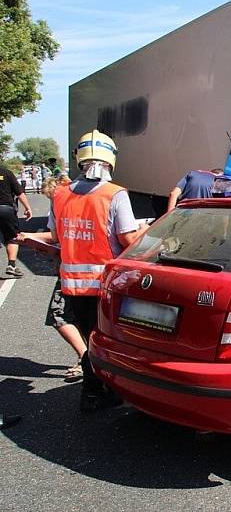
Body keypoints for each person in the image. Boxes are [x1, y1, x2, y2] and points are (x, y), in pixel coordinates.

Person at [48, 130, 147, 412]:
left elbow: (56, 236)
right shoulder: (114, 194)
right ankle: (101, 392)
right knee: (107, 341)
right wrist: (147, 231)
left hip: (72, 286)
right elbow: (128, 239)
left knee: (89, 337)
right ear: (110, 160)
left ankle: (92, 393)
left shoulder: (60, 194)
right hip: (105, 286)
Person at [18, 175, 86, 381]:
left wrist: (30, 237)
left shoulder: (63, 205)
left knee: (60, 315)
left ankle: (86, 359)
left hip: (72, 271)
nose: (52, 202)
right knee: (83, 317)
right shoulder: (83, 203)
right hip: (89, 271)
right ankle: (90, 360)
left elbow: (57, 237)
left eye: (51, 197)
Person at [0, 164, 32, 277]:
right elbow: (19, 192)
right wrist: (27, 207)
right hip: (6, 209)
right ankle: (11, 265)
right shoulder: (6, 173)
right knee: (12, 238)